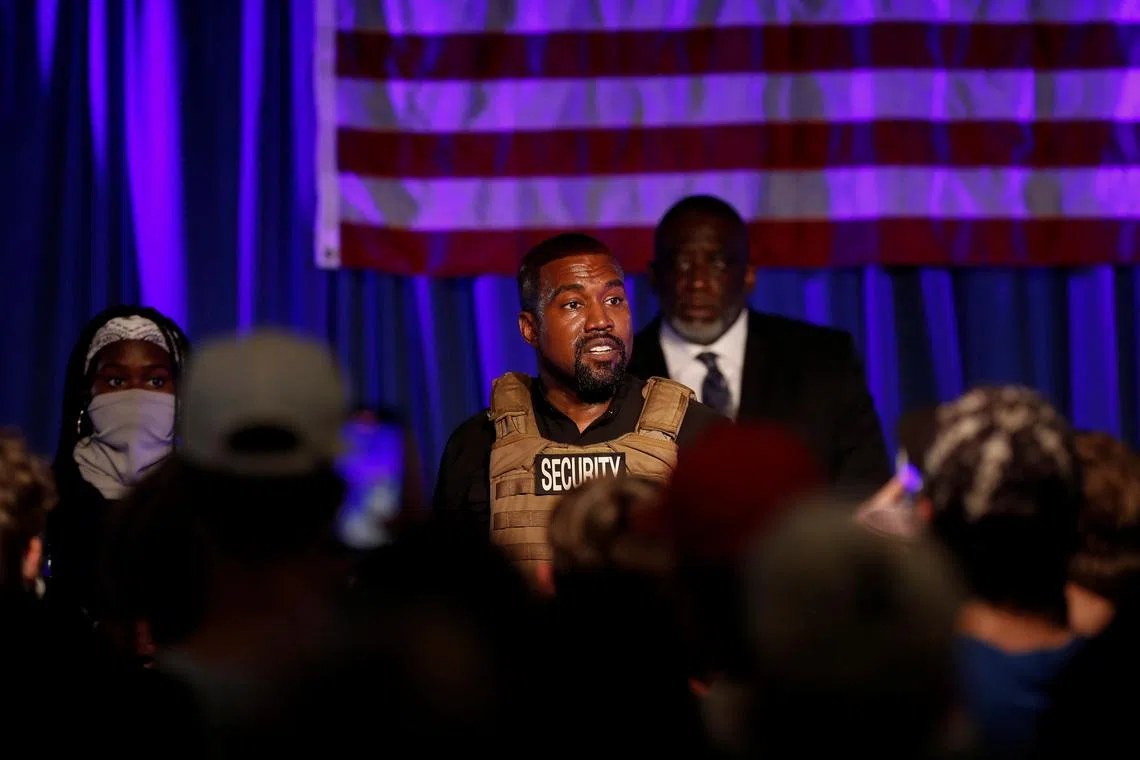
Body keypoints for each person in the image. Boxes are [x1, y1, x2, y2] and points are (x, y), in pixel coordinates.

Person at [433, 232, 724, 582]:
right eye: (574, 304)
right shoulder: (477, 444)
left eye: (615, 300)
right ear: (530, 328)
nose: (601, 320)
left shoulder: (701, 434)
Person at [627, 194, 890, 494]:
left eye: (717, 263)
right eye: (682, 263)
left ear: (749, 274)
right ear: (654, 276)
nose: (697, 282)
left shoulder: (825, 360)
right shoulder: (622, 373)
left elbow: (865, 486)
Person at [46, 305, 190, 630]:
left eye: (156, 381)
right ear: (88, 392)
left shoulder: (208, 501)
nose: (136, 397)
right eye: (115, 380)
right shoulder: (45, 497)